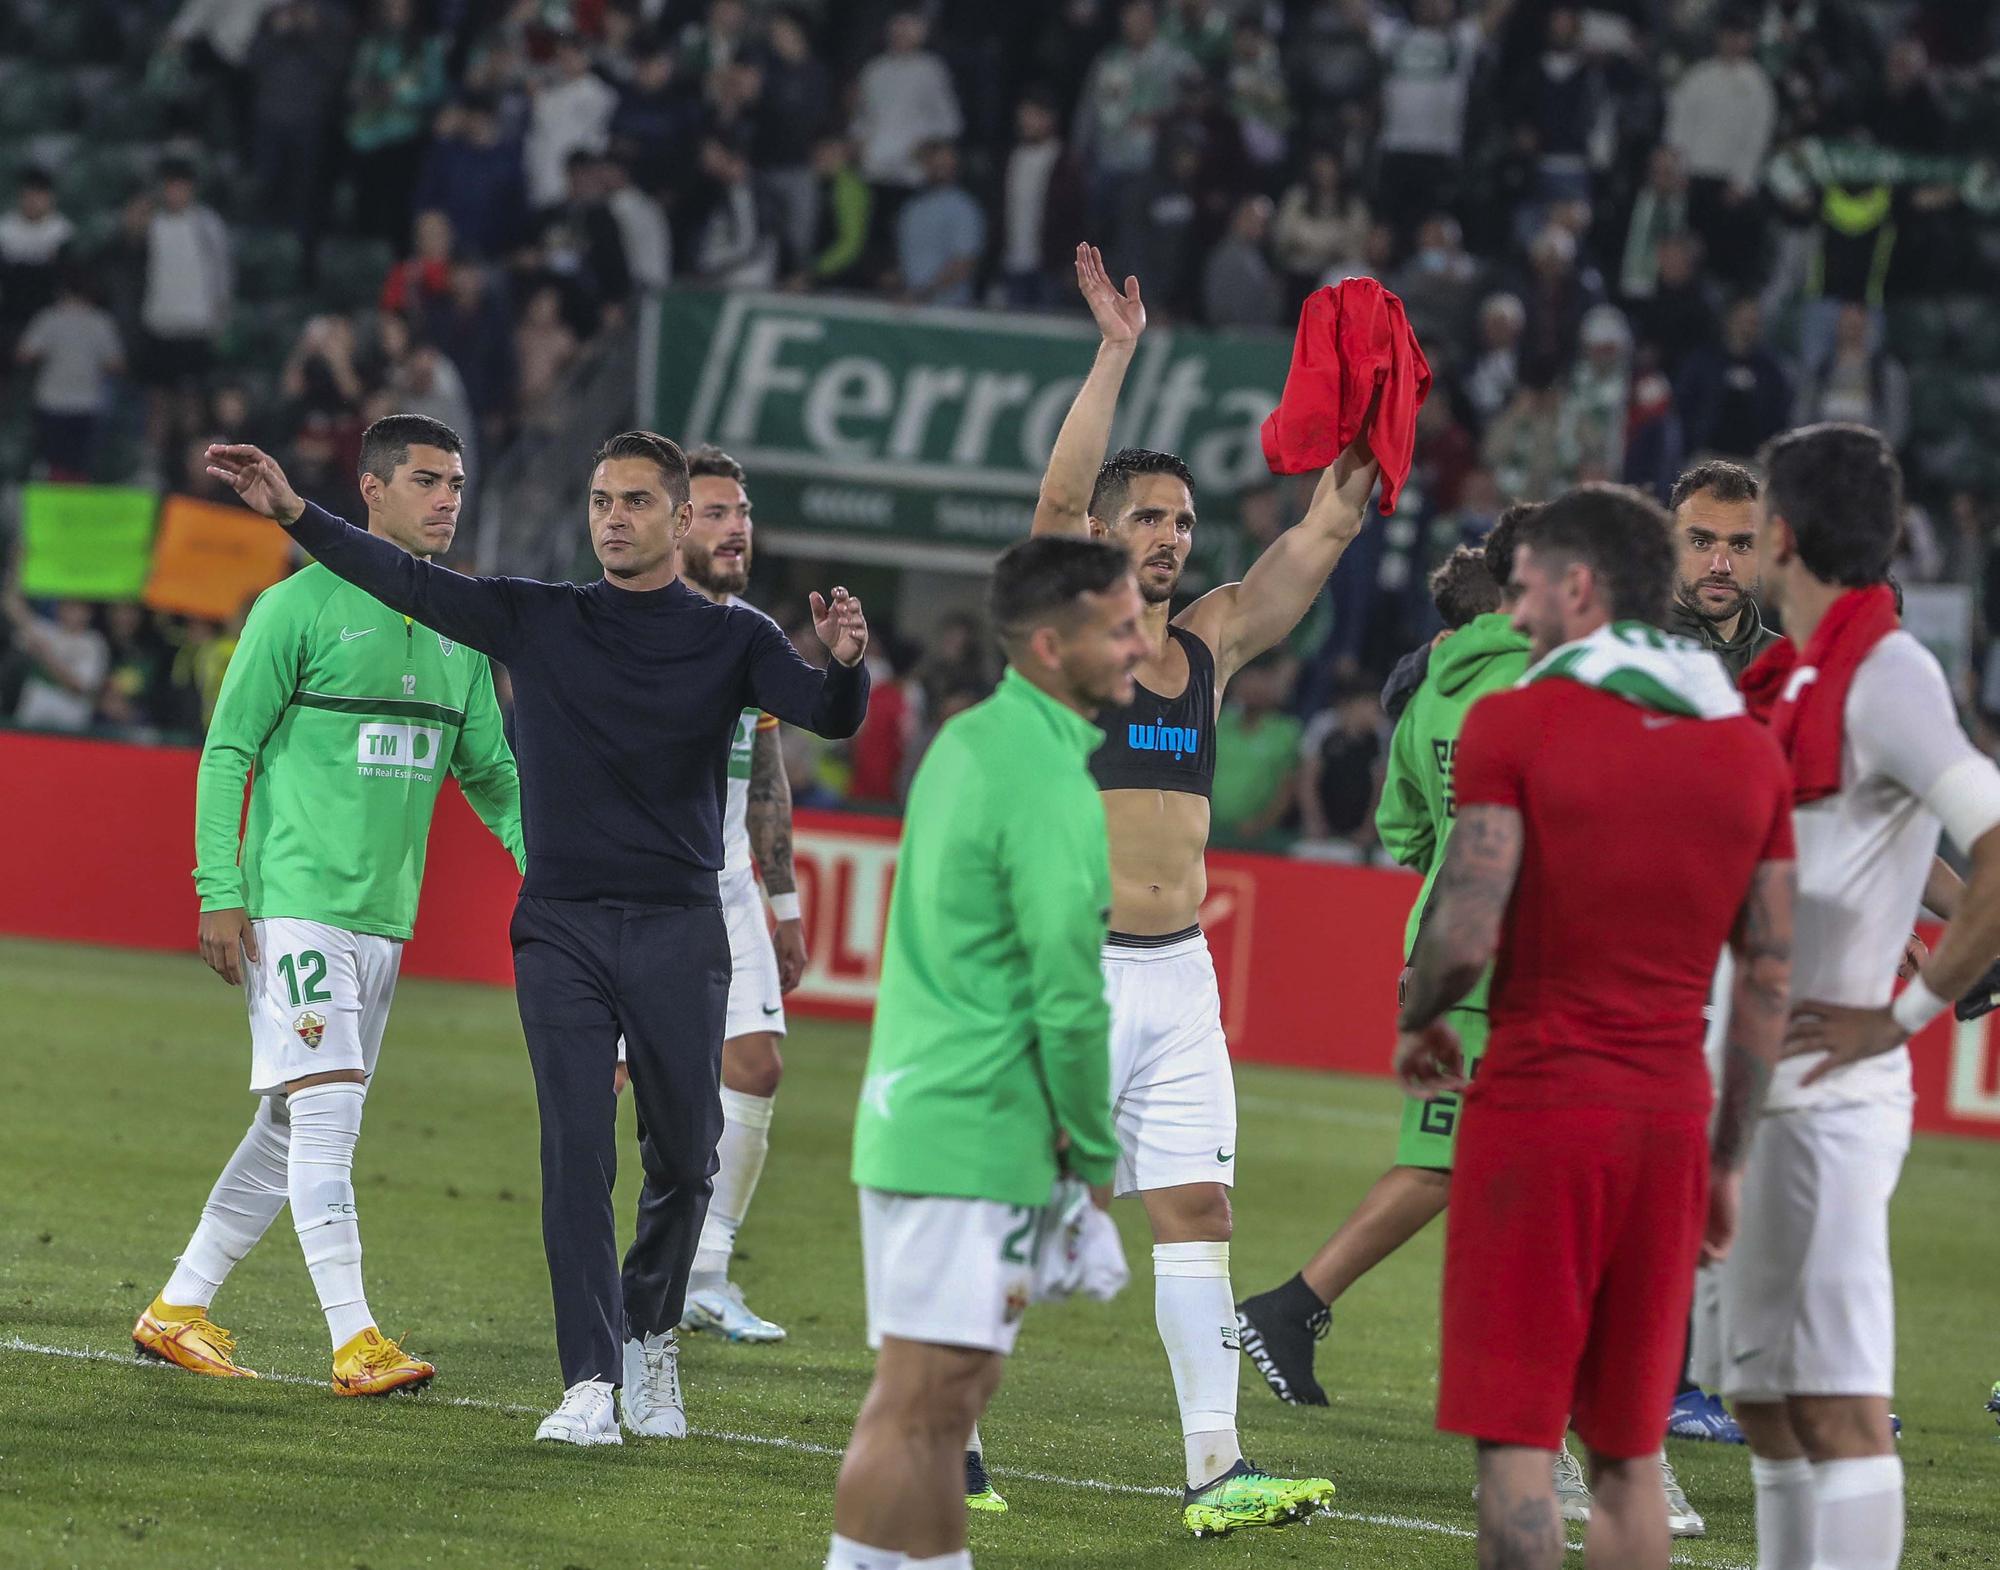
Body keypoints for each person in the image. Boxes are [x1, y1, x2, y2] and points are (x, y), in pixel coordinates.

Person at [201, 429, 870, 1446]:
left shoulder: (733, 640)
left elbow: (824, 711)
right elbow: (396, 575)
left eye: (635, 501)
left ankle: (650, 1336)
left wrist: (849, 666)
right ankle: (590, 1382)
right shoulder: (537, 616)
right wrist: (294, 513)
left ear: (680, 520)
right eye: (601, 499)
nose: (612, 517)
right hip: (560, 927)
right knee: (572, 1154)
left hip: (679, 929)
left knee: (686, 1156)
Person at [1007, 243, 1371, 1536]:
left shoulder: (1209, 640)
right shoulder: (1072, 634)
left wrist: (1368, 445)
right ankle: (945, 1425)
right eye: (1148, 517)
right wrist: (1115, 353)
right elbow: (1055, 502)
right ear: (1108, 534)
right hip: (1070, 969)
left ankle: (1215, 1468)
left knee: (1200, 1207)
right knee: (1017, 1207)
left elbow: (1323, 534)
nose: (1172, 537)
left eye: (1180, 520)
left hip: (1179, 980)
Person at [1395, 485, 1797, 1570]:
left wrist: (1417, 1012)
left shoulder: (1513, 720)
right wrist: (1725, 1155)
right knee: (1626, 1452)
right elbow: (1767, 971)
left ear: (1577, 586)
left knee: (1520, 1439)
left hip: (1537, 1105)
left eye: (1523, 591)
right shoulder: (1747, 750)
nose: (1511, 616)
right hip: (1671, 1120)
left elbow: (1466, 923)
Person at [131, 414, 523, 1398]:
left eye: (457, 483)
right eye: (427, 480)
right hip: (296, 903)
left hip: (384, 919)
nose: (447, 500)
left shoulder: (460, 628)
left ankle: (178, 1306)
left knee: (288, 1122)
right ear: (373, 491)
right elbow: (230, 751)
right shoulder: (295, 608)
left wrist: (549, 868)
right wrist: (220, 892)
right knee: (329, 1115)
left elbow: (494, 775)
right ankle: (356, 1340)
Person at [1702, 423, 2000, 1570]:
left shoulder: (1885, 672)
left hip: (1828, 1088)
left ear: (1781, 531)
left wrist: (1906, 1012)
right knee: (1765, 1400)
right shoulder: (1801, 673)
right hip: (1752, 1082)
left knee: (1833, 1403)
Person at [829, 534, 1146, 1570]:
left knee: (944, 1398)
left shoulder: (969, 741)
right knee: (920, 1405)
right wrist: (1094, 1163)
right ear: (1053, 645)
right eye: (1122, 624)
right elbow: (1067, 994)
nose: (1143, 641)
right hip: (972, 1127)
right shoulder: (1045, 778)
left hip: (931, 1113)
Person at [1237, 509, 1533, 1392]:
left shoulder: (1431, 686)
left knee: (1486, 1167)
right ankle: (1293, 1307)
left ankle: (1306, 1311)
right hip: (1491, 957)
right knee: (1444, 1163)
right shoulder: (1542, 681)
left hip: (1450, 940)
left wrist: (1450, 852)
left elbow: (1401, 826)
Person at [652, 446, 807, 1345]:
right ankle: (629, 1277)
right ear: (676, 524)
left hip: (730, 888)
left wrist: (783, 905)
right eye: (715, 512)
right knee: (638, 1092)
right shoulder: (639, 624)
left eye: (742, 511)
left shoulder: (756, 636)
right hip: (644, 890)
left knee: (757, 1065)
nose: (735, 527)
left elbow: (767, 779)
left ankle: (709, 1272)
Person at [1668, 460, 1778, 677]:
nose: (1721, 566)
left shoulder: (1786, 667)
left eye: (1741, 545)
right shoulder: (1626, 656)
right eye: (1701, 543)